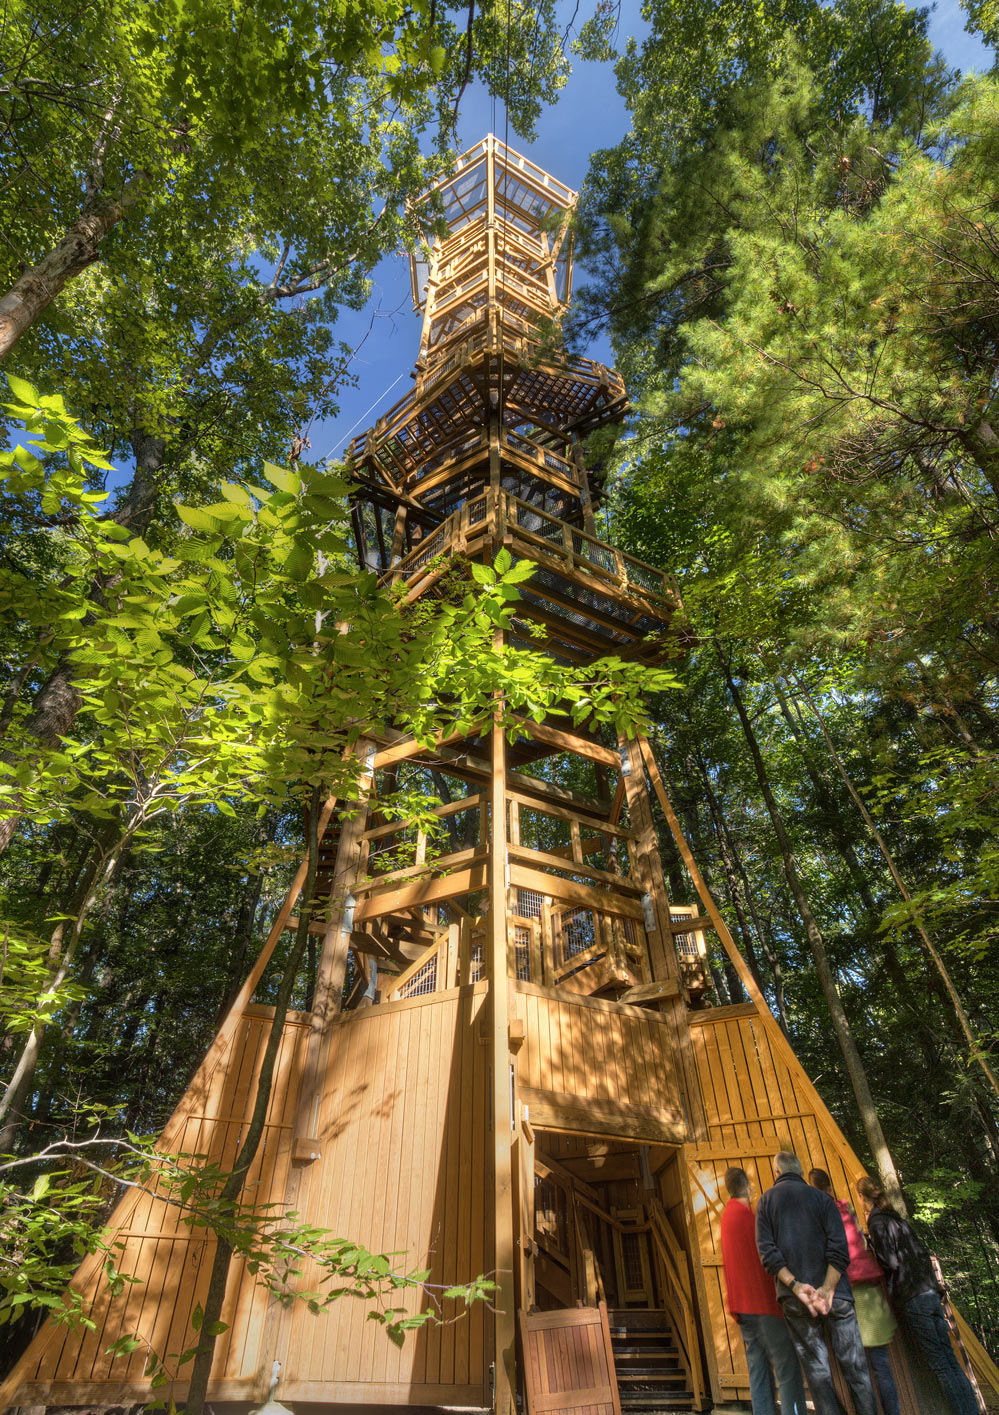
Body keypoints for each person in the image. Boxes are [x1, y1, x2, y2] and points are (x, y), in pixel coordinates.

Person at [756, 1150, 877, 1415]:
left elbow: (768, 1254)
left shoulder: (766, 1202)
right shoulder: (823, 1199)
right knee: (856, 1368)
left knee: (817, 1371)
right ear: (800, 1171)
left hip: (795, 1298)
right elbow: (839, 1248)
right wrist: (828, 1287)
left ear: (776, 1172)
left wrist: (796, 1286)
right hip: (837, 1296)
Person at [858, 1176, 978, 1415]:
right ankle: (971, 1410)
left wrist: (871, 1248)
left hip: (912, 1296)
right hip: (929, 1291)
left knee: (940, 1365)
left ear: (863, 1198)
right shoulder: (896, 1219)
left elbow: (890, 1261)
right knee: (950, 1359)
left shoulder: (877, 1221)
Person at [809, 1168, 900, 1415]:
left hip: (850, 1289)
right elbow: (859, 1239)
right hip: (870, 1288)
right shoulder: (845, 1208)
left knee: (852, 1365)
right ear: (829, 1186)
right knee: (877, 1364)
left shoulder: (818, 1213)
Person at [720, 1166, 807, 1415]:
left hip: (742, 1308)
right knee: (786, 1368)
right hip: (763, 1305)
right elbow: (764, 1262)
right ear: (747, 1187)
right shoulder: (750, 1219)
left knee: (758, 1369)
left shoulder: (727, 1217)